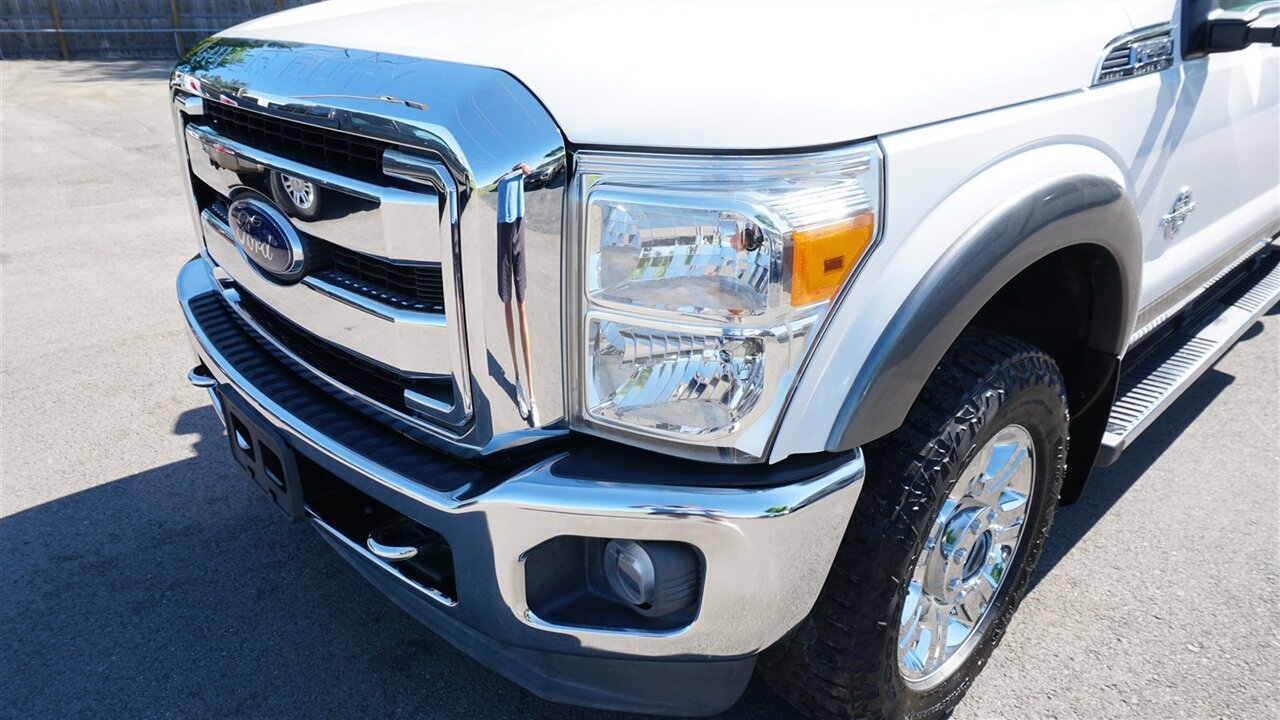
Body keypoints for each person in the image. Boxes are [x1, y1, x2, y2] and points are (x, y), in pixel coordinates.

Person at [495, 163, 539, 426]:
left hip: (519, 217)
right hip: (501, 221)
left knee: (522, 301)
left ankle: (532, 396)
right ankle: (517, 378)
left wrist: (526, 168)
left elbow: (532, 168)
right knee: (507, 300)